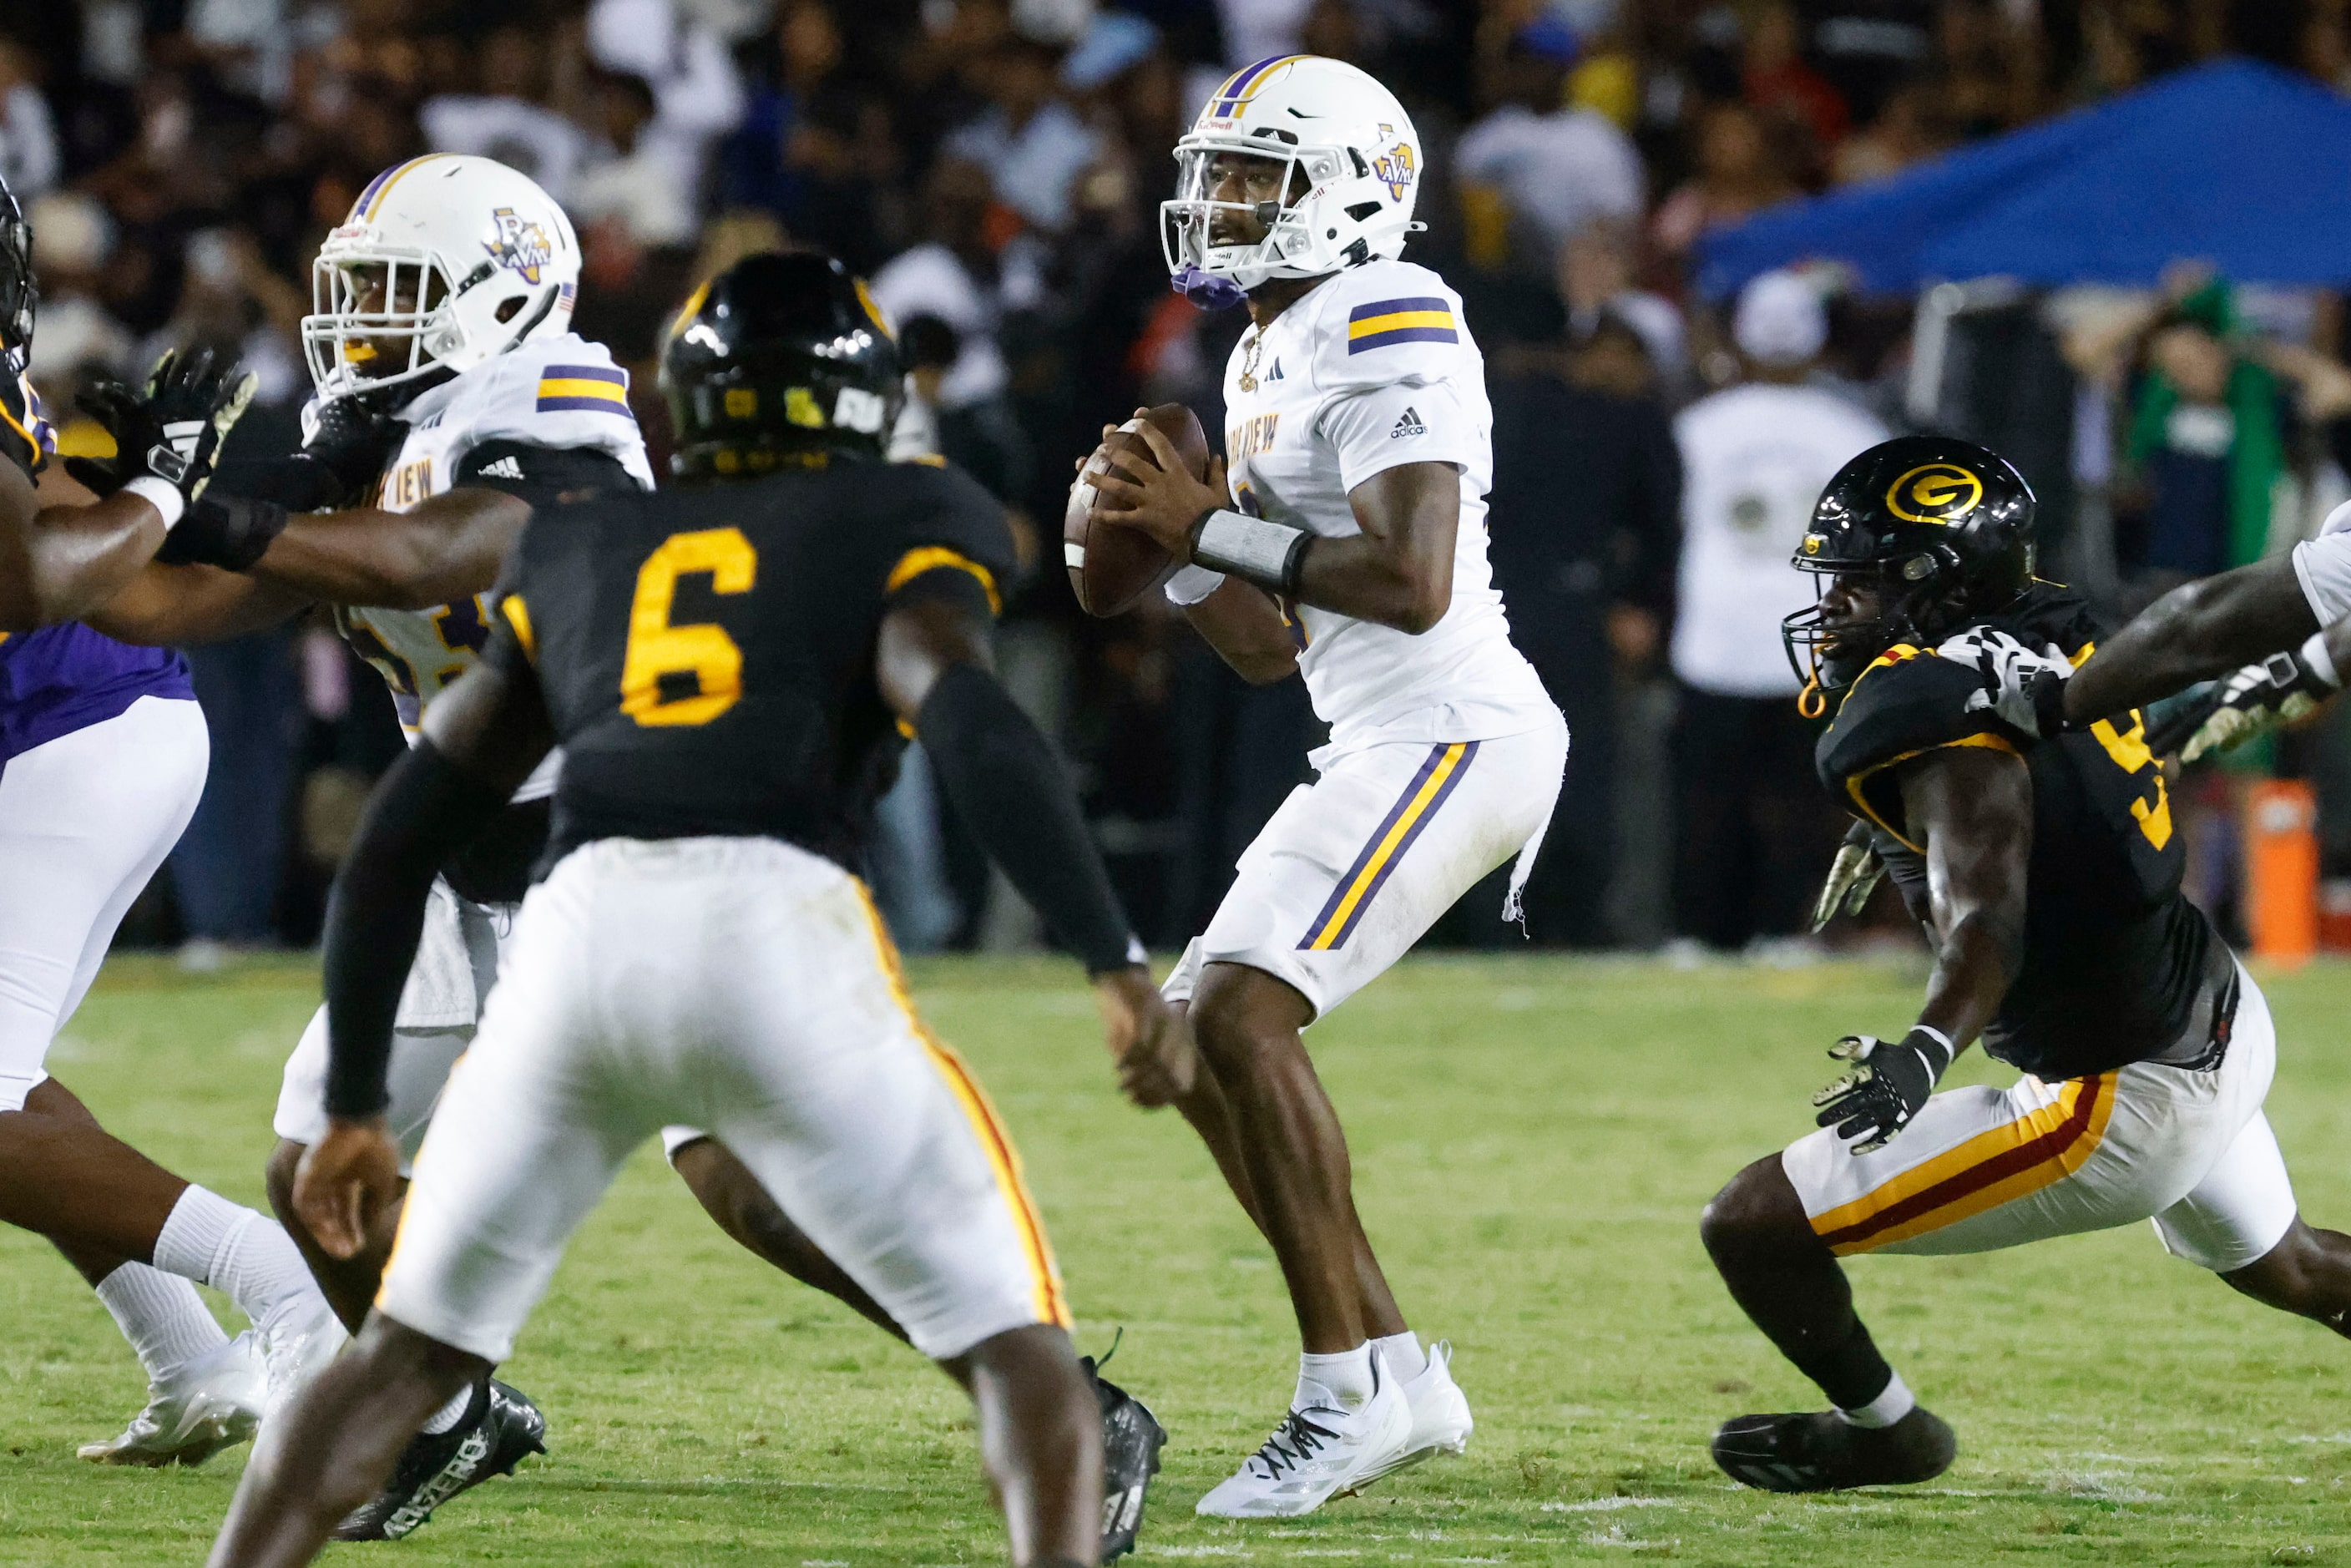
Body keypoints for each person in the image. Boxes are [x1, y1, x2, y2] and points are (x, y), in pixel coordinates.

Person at [205, 250, 1181, 1568]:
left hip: (575, 921)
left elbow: (393, 833)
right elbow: (974, 725)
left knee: (392, 1351)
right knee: (1015, 1351)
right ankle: (1081, 1436)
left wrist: (359, 1110)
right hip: (756, 915)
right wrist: (1113, 958)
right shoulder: (908, 509)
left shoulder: (577, 520)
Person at [1091, 54, 1568, 1516]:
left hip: (1455, 731)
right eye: (1216, 174)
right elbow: (1265, 649)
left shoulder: (1389, 310)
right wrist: (1171, 546)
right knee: (1194, 1036)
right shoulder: (1262, 348)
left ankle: (1340, 1388)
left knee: (1240, 1010)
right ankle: (1397, 1371)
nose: (1220, 202)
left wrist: (1211, 526)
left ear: (1355, 192)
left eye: (1254, 177)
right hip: (1373, 735)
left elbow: (1412, 585)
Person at [1699, 436, 2351, 1493]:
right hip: (2215, 1015)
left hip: (2119, 1101)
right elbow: (2111, 741)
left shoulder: (1943, 727)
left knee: (1751, 1222)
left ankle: (1886, 1430)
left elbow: (1984, 923)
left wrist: (1921, 1050)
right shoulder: (2052, 638)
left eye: (1859, 586)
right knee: (2295, 1268)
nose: (1831, 612)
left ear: (1933, 586)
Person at [0, 172, 344, 1470]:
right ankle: (195, 1358)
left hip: (67, 733)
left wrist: (158, 488)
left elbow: (34, 574)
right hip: (74, 732)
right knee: (11, 1081)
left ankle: (287, 1283)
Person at [1668, 271, 1885, 957]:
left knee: (1707, 803)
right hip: (1814, 646)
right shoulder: (1858, 431)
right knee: (1800, 804)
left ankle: (1699, 935)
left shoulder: (1696, 427)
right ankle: (1789, 928)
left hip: (1714, 638)